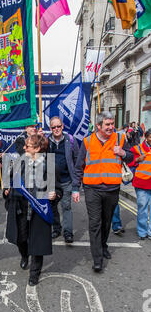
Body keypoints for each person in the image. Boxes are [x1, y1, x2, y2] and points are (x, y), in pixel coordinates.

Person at [72, 111, 133, 273]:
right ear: (98, 126)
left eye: (112, 124)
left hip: (112, 189)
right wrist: (75, 188)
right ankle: (97, 259)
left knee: (106, 222)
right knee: (95, 223)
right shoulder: (87, 141)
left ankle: (103, 245)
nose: (111, 127)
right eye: (107, 124)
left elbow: (131, 157)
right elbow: (79, 167)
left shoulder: (120, 139)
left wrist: (122, 153)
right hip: (92, 189)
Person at [4, 134, 62, 286]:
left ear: (37, 148)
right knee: (20, 239)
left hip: (39, 210)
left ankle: (34, 273)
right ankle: (24, 255)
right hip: (21, 208)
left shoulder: (50, 166)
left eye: (28, 146)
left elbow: (58, 188)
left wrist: (55, 194)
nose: (24, 148)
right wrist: (7, 189)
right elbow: (9, 179)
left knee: (37, 243)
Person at [47, 116, 79, 244]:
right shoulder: (46, 141)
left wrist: (76, 182)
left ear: (62, 126)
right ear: (50, 128)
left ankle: (68, 233)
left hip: (66, 180)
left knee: (66, 206)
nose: (56, 129)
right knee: (52, 206)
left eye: (58, 126)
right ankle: (56, 228)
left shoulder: (70, 140)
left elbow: (76, 160)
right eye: (53, 127)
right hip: (52, 181)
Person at [130, 128, 151, 240]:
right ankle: (142, 231)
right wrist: (137, 159)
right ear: (146, 137)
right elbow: (128, 162)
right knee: (142, 208)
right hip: (141, 184)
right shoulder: (137, 148)